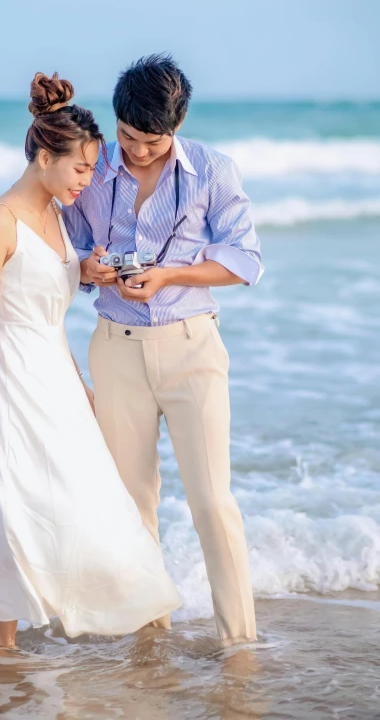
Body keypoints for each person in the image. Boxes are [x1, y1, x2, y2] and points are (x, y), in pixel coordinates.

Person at [0, 72, 181, 653]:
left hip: (57, 382)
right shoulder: (0, 220)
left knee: (67, 507)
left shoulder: (57, 218)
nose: (88, 181)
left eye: (94, 169)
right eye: (79, 169)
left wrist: (81, 383)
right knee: (4, 521)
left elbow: (53, 313)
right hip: (9, 383)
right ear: (44, 157)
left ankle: (6, 654)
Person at [64, 54, 264, 646]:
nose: (138, 150)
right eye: (127, 136)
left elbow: (246, 260)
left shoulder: (212, 170)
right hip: (115, 350)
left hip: (192, 349)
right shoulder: (90, 170)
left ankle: (240, 644)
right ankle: (152, 641)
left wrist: (171, 275)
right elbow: (66, 250)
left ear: (175, 127)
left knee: (211, 502)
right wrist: (89, 268)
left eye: (153, 140)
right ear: (116, 119)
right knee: (133, 507)